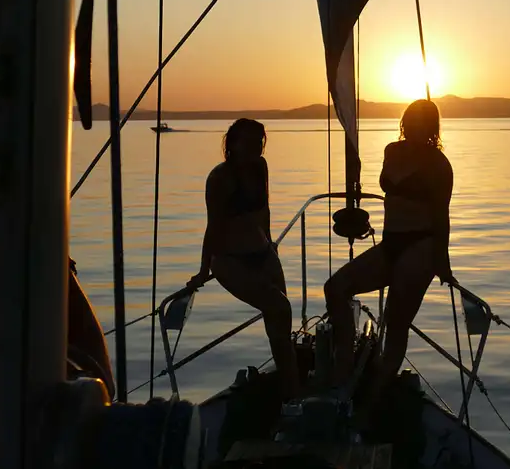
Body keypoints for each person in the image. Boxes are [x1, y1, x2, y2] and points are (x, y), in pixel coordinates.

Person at [324, 99, 454, 413]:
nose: (412, 124)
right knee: (335, 288)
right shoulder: (391, 151)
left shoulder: (439, 164)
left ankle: (375, 396)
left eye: (420, 121)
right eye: (409, 118)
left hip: (420, 245)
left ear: (430, 127)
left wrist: (443, 263)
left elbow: (441, 216)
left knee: (396, 323)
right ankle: (344, 364)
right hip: (389, 243)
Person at [188, 118, 298, 398]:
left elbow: (265, 210)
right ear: (232, 144)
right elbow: (212, 226)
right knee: (280, 308)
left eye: (259, 142)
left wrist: (271, 243)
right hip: (230, 260)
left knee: (280, 323)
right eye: (247, 142)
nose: (254, 148)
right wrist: (203, 271)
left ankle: (288, 385)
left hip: (262, 252)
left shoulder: (261, 168)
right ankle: (291, 388)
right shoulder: (220, 178)